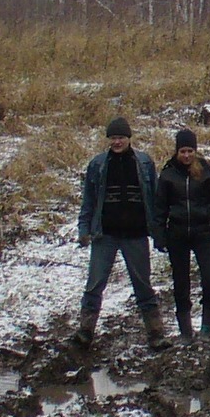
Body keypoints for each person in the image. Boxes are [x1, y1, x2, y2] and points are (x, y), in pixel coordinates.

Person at [76, 116, 171, 351]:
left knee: (143, 286)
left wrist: (159, 231)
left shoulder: (144, 163)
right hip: (104, 236)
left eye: (121, 137)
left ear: (129, 138)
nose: (117, 142)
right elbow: (88, 200)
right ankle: (85, 332)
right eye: (113, 138)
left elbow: (156, 198)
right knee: (94, 285)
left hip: (136, 235)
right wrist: (83, 229)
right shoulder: (97, 165)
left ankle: (156, 334)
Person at [155, 127, 210, 341]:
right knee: (181, 282)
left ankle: (207, 325)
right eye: (183, 151)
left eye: (190, 151)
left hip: (203, 233)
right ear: (177, 152)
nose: (186, 155)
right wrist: (159, 236)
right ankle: (185, 330)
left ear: (195, 151)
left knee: (209, 279)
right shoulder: (168, 174)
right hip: (177, 233)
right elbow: (159, 208)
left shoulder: (207, 173)